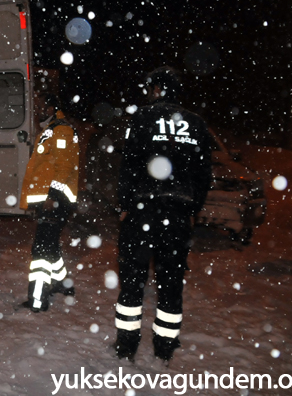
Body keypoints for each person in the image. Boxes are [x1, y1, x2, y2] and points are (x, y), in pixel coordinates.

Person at [114, 67, 212, 362]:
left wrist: (125, 205)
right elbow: (203, 175)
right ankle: (165, 349)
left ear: (156, 89)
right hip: (178, 214)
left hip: (143, 211)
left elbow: (129, 165)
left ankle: (127, 345)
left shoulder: (142, 118)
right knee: (170, 284)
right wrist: (191, 209)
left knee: (133, 280)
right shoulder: (196, 124)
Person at [19, 94, 80, 312]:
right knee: (50, 244)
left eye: (42, 106)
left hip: (55, 199)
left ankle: (37, 300)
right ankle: (63, 283)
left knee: (41, 251)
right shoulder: (51, 130)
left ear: (53, 107)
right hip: (49, 199)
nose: (38, 110)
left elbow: (64, 167)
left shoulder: (61, 130)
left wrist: (53, 196)